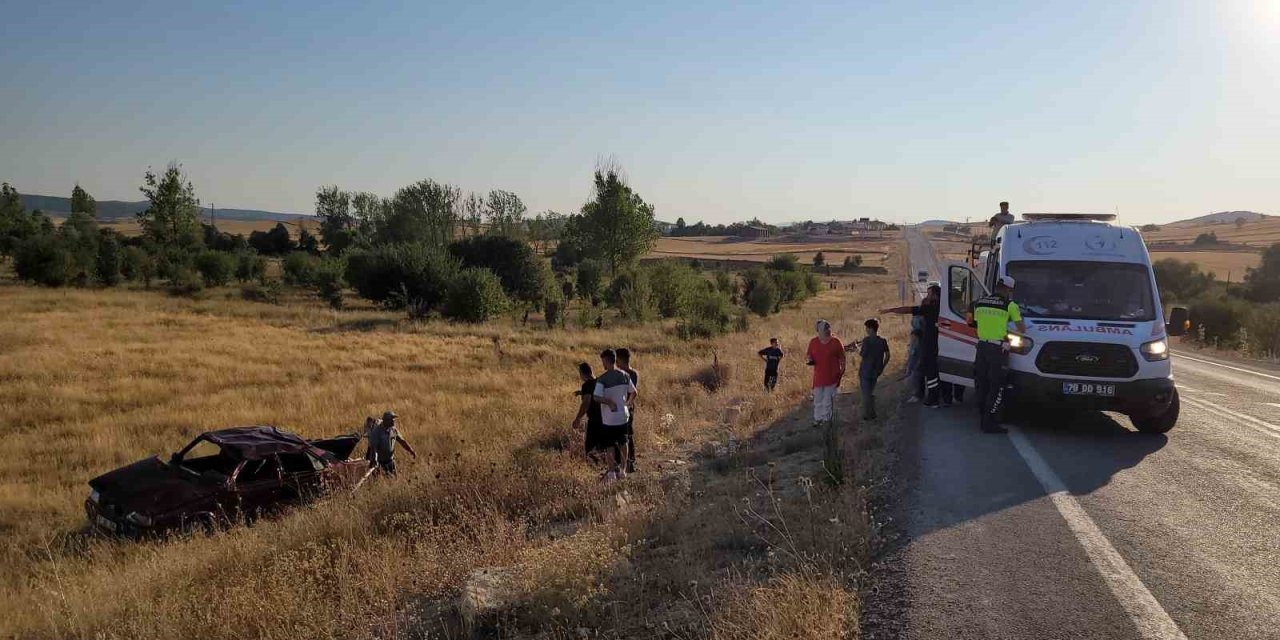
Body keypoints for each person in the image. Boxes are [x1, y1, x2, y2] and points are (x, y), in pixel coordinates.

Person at [967, 275, 1026, 433]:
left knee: (981, 383)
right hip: (997, 350)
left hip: (981, 347)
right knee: (997, 385)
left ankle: (981, 418)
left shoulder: (979, 302)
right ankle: (990, 422)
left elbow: (972, 322)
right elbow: (1022, 329)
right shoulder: (1010, 305)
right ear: (1008, 290)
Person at [881, 284, 944, 407]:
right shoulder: (940, 308)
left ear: (935, 296)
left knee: (930, 373)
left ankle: (933, 400)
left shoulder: (930, 308)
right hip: (934, 343)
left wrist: (891, 310)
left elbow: (908, 309)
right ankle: (933, 396)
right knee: (927, 371)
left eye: (929, 294)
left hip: (930, 345)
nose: (927, 296)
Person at [592, 349, 636, 480]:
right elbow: (634, 392)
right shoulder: (625, 375)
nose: (602, 364)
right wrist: (627, 404)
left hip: (609, 419)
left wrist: (608, 402)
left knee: (610, 445)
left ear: (606, 361)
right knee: (623, 443)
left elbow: (596, 397)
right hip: (623, 416)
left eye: (603, 361)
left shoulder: (602, 379)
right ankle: (623, 470)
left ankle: (611, 472)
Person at [805, 319, 846, 427]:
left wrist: (842, 371)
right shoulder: (813, 342)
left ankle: (826, 420)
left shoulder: (836, 342)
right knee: (817, 400)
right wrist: (810, 359)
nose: (828, 330)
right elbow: (809, 355)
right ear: (819, 330)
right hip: (819, 377)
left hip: (832, 376)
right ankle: (817, 419)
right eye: (825, 328)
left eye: (828, 327)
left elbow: (842, 357)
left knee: (827, 401)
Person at [856, 318, 891, 420]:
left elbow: (863, 354)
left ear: (871, 328)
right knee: (870, 392)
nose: (866, 330)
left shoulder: (866, 341)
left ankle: (868, 415)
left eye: (867, 328)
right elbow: (888, 355)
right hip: (876, 371)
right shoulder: (882, 341)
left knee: (866, 394)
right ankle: (872, 413)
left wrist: (857, 348)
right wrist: (882, 366)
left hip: (865, 371)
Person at [365, 410, 417, 475]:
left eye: (394, 419)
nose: (393, 421)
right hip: (379, 463)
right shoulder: (377, 432)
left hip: (390, 461)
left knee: (394, 480)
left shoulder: (393, 430)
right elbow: (374, 448)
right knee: (379, 482)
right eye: (392, 419)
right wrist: (375, 459)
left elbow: (402, 441)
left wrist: (411, 451)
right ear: (386, 420)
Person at [572, 362, 606, 459]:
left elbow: (586, 403)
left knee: (590, 446)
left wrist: (578, 418)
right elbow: (595, 391)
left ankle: (593, 466)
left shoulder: (586, 386)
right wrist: (581, 392)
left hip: (594, 419)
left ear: (582, 373)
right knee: (603, 444)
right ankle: (605, 464)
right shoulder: (600, 381)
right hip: (606, 417)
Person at [616, 348, 639, 473]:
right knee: (625, 436)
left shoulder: (629, 374)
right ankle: (625, 462)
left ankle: (629, 463)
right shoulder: (633, 373)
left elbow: (631, 392)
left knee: (626, 436)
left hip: (626, 408)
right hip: (625, 408)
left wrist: (626, 405)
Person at [901, 328, 924, 404]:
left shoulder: (919, 346)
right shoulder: (914, 345)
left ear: (916, 336)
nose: (911, 337)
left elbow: (919, 358)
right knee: (915, 382)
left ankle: (917, 396)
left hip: (917, 368)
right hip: (914, 367)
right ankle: (918, 395)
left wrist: (916, 366)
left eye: (913, 336)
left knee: (916, 382)